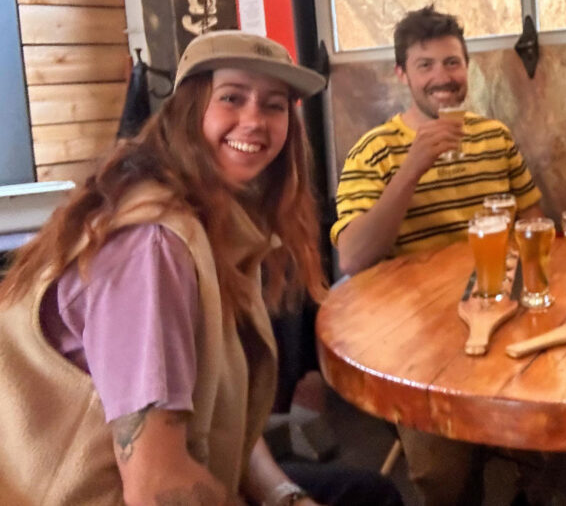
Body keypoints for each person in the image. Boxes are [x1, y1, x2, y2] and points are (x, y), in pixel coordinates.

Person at [0, 31, 400, 506]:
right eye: (232, 97)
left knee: (367, 493)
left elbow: (217, 419)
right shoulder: (153, 245)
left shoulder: (219, 227)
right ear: (189, 110)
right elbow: (158, 487)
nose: (254, 120)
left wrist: (284, 495)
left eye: (274, 106)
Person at [331, 5, 542, 505]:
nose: (442, 78)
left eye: (452, 63)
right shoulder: (374, 151)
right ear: (402, 74)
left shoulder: (495, 137)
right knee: (443, 477)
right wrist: (413, 166)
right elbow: (353, 258)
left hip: (500, 312)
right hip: (418, 336)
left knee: (548, 434)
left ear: (467, 69)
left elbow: (534, 222)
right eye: (425, 65)